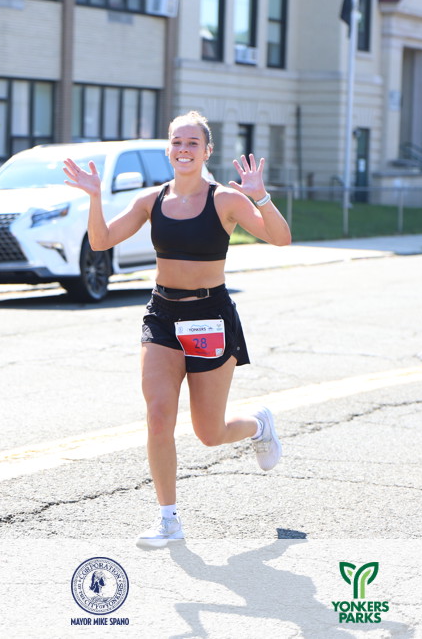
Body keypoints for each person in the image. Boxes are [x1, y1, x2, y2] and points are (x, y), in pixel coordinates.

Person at [62, 111, 292, 547]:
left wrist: (261, 197)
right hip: (163, 316)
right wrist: (94, 197)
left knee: (210, 433)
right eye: (176, 142)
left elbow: (280, 238)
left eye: (192, 143)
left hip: (211, 317)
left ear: (207, 152)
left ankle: (258, 425)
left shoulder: (225, 200)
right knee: (158, 415)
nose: (183, 150)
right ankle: (168, 519)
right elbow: (101, 240)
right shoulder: (151, 200)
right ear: (168, 149)